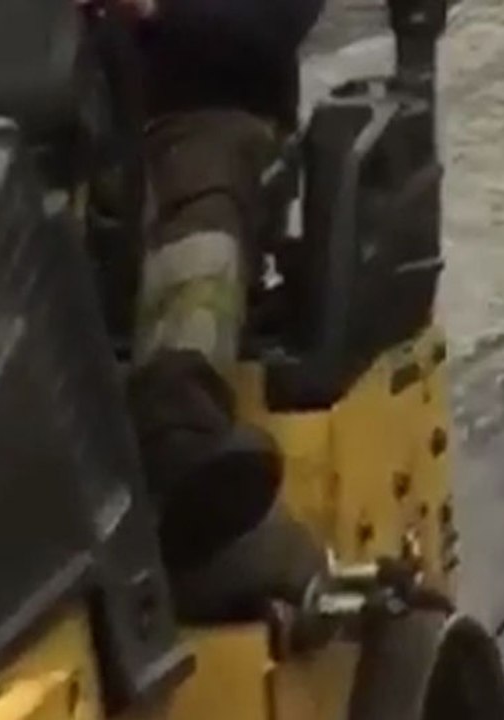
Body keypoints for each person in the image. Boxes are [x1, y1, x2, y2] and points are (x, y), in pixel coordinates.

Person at [94, 0, 325, 580]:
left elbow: (270, 27)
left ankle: (181, 429)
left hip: (207, 113)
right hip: (47, 124)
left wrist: (152, 12)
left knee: (198, 201)